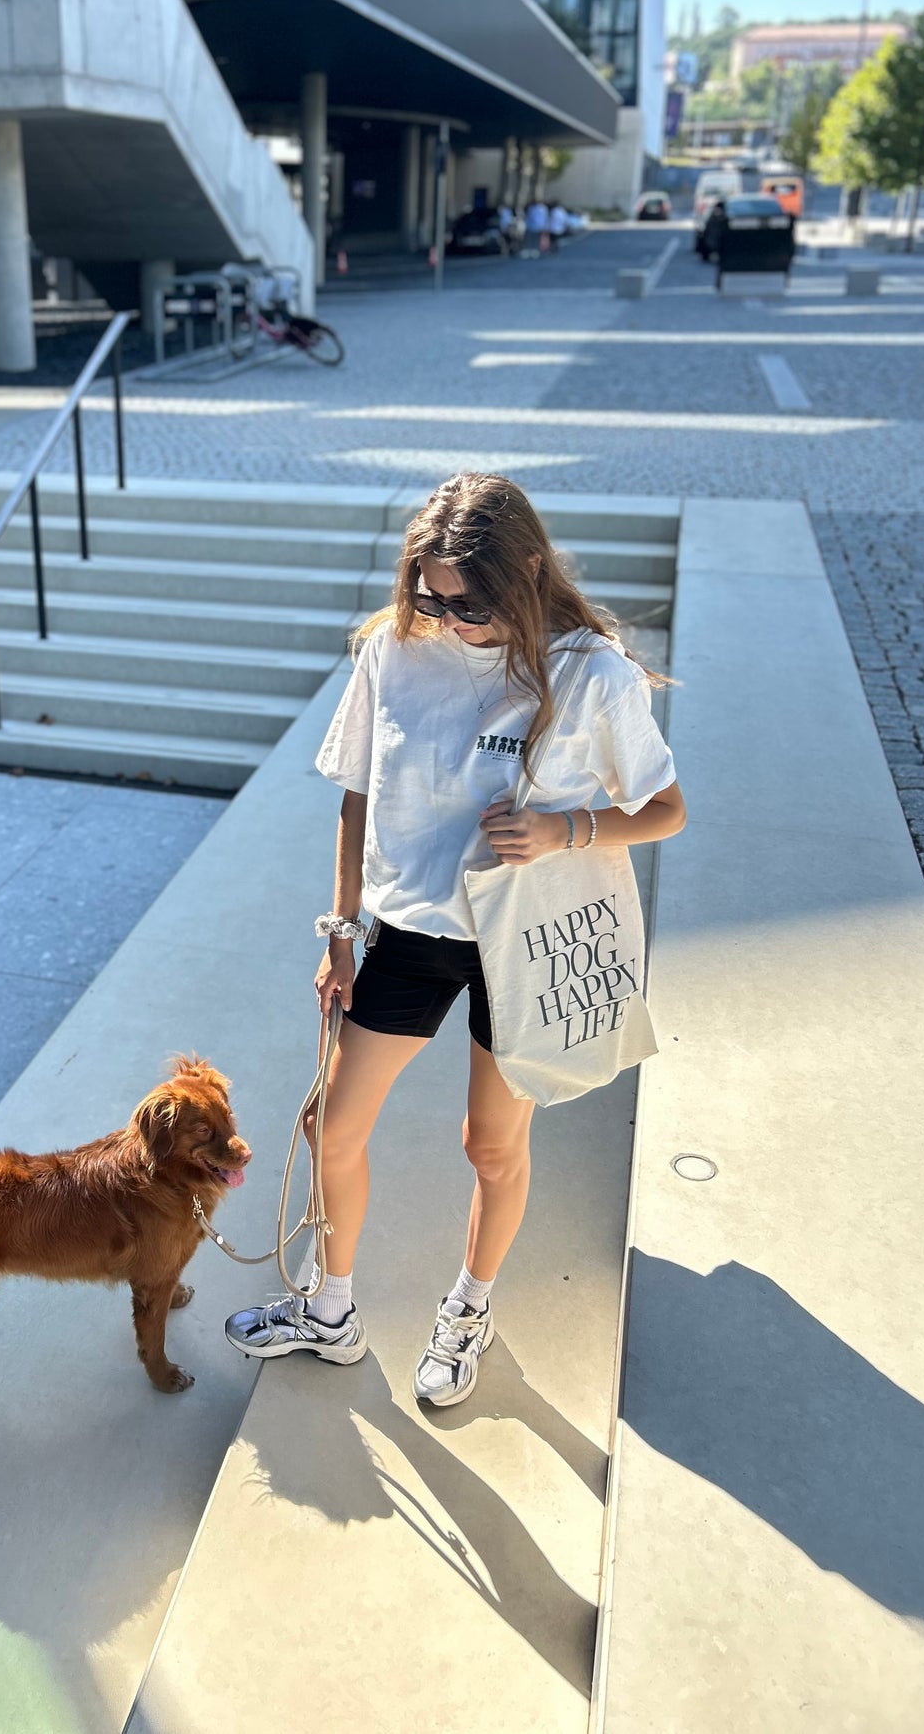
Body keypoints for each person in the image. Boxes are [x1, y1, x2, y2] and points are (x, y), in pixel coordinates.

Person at [225, 473, 686, 1405]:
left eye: (465, 601)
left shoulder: (590, 672)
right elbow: (355, 790)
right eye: (426, 595)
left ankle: (469, 1307)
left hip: (525, 941)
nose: (444, 616)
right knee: (330, 1125)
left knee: (489, 1145)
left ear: (523, 570)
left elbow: (666, 810)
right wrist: (340, 926)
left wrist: (568, 830)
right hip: (410, 929)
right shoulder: (395, 653)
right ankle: (332, 1310)